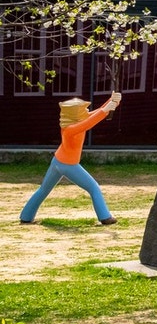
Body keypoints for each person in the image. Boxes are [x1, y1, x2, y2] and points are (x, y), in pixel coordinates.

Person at [20, 93, 123, 225]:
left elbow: (94, 114)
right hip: (68, 165)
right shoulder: (70, 129)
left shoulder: (74, 122)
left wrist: (113, 101)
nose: (86, 111)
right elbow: (89, 122)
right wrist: (106, 109)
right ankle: (105, 217)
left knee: (44, 189)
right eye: (83, 110)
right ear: (75, 114)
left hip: (57, 161)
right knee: (94, 188)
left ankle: (26, 216)